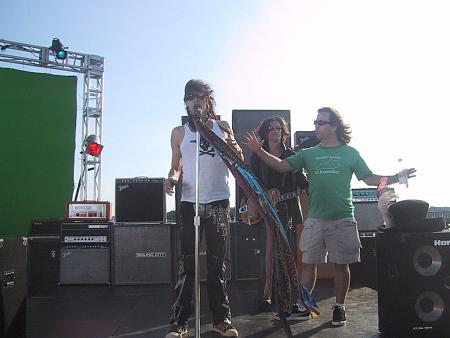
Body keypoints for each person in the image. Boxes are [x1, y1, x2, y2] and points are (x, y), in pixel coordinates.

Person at [244, 107, 416, 326]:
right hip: (315, 218)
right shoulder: (309, 154)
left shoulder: (350, 153)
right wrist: (258, 150)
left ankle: (339, 307)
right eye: (315, 122)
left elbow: (369, 178)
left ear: (334, 126)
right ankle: (304, 306)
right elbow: (281, 165)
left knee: (340, 265)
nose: (315, 126)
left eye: (320, 123)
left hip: (342, 217)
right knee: (308, 262)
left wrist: (395, 177)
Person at [164, 79, 242, 338]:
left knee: (217, 264)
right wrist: (172, 179)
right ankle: (180, 322)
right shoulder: (179, 132)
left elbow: (238, 158)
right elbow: (176, 165)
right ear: (186, 102)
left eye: (201, 96)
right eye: (191, 97)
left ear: (208, 100)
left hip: (218, 201)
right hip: (189, 203)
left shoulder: (222, 127)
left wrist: (232, 143)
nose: (196, 101)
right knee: (187, 264)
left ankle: (222, 320)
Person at [245, 116, 309, 318]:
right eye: (271, 128)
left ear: (284, 132)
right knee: (266, 255)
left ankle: (287, 299)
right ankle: (264, 298)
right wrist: (253, 203)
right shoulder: (256, 157)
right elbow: (248, 182)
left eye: (279, 129)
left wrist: (311, 181)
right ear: (265, 132)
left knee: (287, 255)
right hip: (264, 212)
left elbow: (303, 181)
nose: (275, 131)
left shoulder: (292, 155)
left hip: (287, 211)